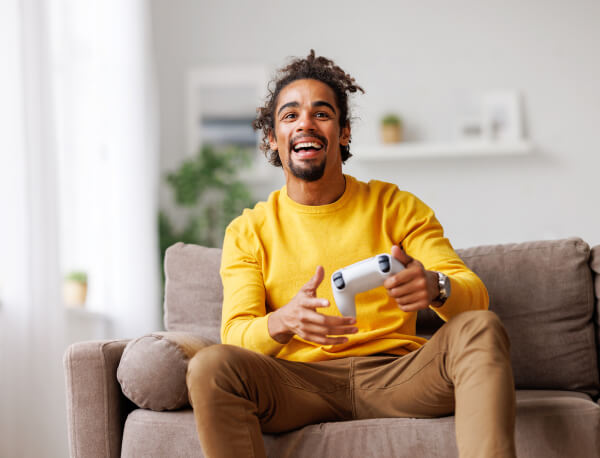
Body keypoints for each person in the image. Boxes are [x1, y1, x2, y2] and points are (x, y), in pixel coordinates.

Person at [186, 50, 516, 458]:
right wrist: (283, 321)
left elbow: (475, 299)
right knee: (210, 366)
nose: (305, 122)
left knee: (481, 327)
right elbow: (234, 334)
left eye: (321, 113)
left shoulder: (396, 206)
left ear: (343, 132)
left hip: (398, 375)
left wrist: (434, 286)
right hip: (298, 384)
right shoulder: (248, 230)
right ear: (272, 138)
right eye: (289, 116)